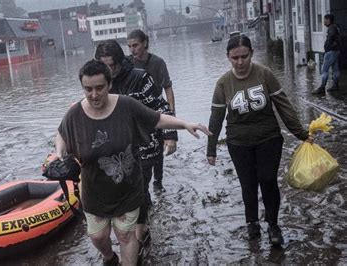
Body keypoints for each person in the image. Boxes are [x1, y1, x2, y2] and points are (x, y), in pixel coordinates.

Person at [56, 59, 210, 265]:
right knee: (98, 237)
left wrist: (185, 124)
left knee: (126, 236)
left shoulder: (126, 105)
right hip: (94, 191)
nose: (94, 95)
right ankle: (110, 258)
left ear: (110, 84)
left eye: (100, 88)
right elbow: (61, 134)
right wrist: (60, 154)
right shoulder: (74, 114)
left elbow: (157, 119)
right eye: (88, 89)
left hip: (127, 189)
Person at [207, 35, 313, 246]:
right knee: (248, 184)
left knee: (268, 180)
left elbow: (284, 106)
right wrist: (211, 149)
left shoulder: (264, 74)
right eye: (235, 58)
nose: (240, 62)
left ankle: (273, 225)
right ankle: (252, 223)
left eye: (244, 56)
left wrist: (301, 133)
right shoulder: (223, 83)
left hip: (269, 138)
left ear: (251, 54)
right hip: (238, 142)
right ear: (228, 57)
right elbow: (216, 117)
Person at [94, 40, 177, 250]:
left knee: (139, 186)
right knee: (124, 187)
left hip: (145, 144)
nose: (108, 71)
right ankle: (134, 226)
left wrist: (170, 134)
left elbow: (161, 107)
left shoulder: (140, 78)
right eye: (103, 67)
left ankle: (141, 229)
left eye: (111, 66)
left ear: (121, 62)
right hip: (116, 149)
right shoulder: (99, 84)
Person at [127, 29, 176, 192]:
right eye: (129, 46)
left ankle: (158, 181)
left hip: (157, 111)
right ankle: (143, 184)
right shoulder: (128, 64)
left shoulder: (158, 63)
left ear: (145, 43)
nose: (133, 49)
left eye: (135, 45)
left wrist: (171, 113)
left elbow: (168, 88)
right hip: (137, 114)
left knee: (158, 147)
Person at [313, 14, 341, 94]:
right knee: (335, 69)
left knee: (324, 69)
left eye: (324, 19)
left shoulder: (331, 27)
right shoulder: (336, 26)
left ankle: (322, 87)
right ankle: (336, 86)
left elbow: (331, 37)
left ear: (328, 20)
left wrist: (327, 46)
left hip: (330, 51)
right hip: (336, 51)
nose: (323, 21)